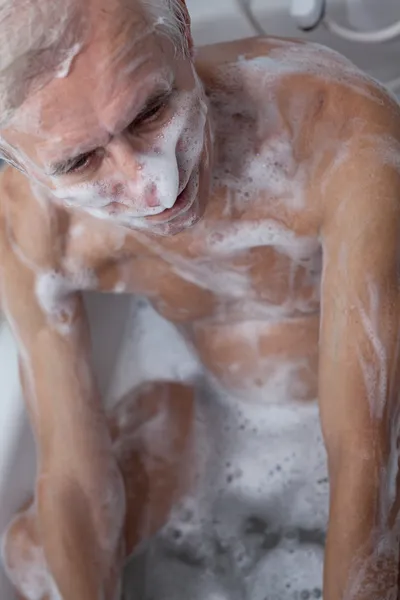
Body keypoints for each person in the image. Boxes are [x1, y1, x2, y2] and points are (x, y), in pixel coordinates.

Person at [1, 0, 400, 598]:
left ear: (182, 30)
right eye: (81, 161)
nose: (152, 187)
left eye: (151, 111)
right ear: (15, 160)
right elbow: (77, 487)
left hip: (373, 423)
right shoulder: (31, 226)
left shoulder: (335, 131)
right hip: (223, 417)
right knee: (30, 549)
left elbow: (366, 467)